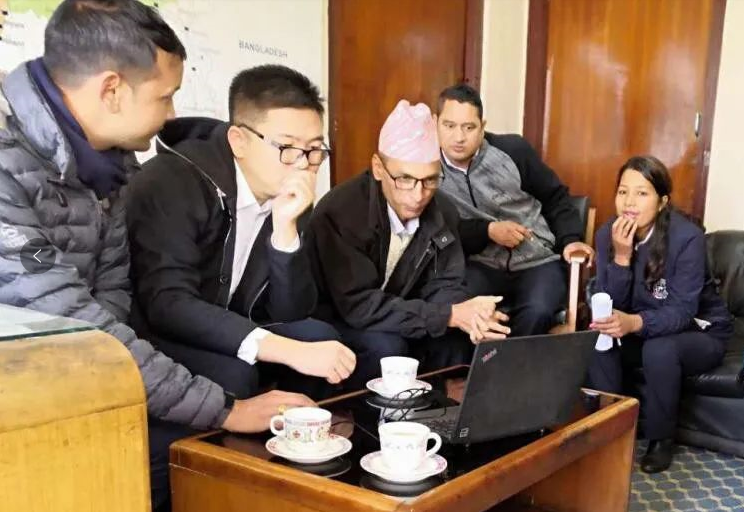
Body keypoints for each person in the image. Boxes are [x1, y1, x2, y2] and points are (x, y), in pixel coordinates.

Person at [0, 2, 313, 510]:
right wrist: (227, 410)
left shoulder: (110, 168)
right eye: (164, 96)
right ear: (112, 90)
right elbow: (77, 322)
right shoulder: (9, 165)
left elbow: (112, 295)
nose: (171, 115)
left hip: (82, 365)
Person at [127, 65, 356, 402]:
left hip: (230, 323)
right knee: (237, 375)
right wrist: (284, 350)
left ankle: (302, 432)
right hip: (157, 331)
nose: (303, 164)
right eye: (287, 147)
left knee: (320, 338)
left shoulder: (290, 194)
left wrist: (285, 233)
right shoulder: (172, 181)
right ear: (239, 141)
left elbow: (291, 312)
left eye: (314, 150)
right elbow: (168, 304)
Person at [307, 100, 509, 389]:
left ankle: (438, 415)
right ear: (378, 168)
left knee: (458, 340)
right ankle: (376, 420)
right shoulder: (341, 212)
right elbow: (359, 306)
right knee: (388, 349)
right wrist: (449, 315)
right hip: (337, 317)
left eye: (430, 180)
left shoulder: (443, 210)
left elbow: (445, 283)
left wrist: (470, 315)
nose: (418, 195)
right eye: (404, 179)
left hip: (401, 309)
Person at [588, 156, 733, 473]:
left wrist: (634, 322)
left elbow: (682, 312)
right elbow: (611, 302)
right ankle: (608, 430)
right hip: (643, 328)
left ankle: (660, 439)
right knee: (599, 340)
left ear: (663, 201)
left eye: (642, 193)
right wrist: (622, 257)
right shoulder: (607, 234)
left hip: (698, 332)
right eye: (623, 192)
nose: (629, 202)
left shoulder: (687, 238)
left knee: (659, 348)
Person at [435, 84, 594, 336]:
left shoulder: (513, 151)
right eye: (449, 125)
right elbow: (438, 228)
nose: (459, 137)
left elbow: (556, 198)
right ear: (436, 123)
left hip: (537, 260)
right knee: (456, 306)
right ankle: (481, 362)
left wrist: (571, 239)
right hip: (479, 264)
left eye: (469, 127)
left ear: (482, 126)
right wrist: (488, 231)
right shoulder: (428, 169)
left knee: (538, 310)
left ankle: (513, 362)